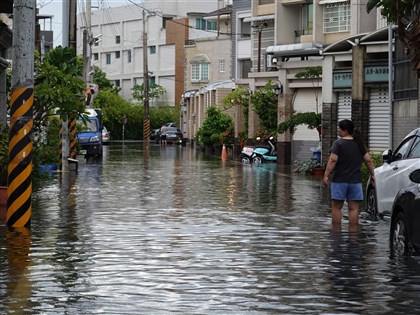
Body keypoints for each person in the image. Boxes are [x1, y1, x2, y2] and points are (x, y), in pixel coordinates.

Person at [322, 119, 375, 228]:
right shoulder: (359, 143)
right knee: (354, 208)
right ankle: (353, 234)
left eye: (339, 128)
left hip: (339, 180)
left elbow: (332, 160)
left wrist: (326, 175)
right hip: (355, 181)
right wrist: (373, 174)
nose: (338, 130)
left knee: (337, 207)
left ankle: (336, 233)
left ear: (345, 131)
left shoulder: (338, 143)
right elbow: (368, 160)